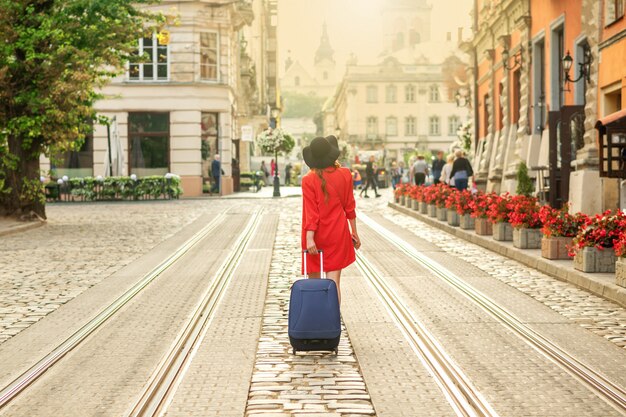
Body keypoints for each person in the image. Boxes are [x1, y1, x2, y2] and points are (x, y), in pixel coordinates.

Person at [301, 136, 361, 304]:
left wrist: (310, 237)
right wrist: (354, 232)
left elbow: (311, 212)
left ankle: (317, 323)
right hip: (338, 232)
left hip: (316, 233)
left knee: (314, 282)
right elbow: (350, 206)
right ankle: (332, 321)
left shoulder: (308, 180)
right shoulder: (345, 174)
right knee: (334, 283)